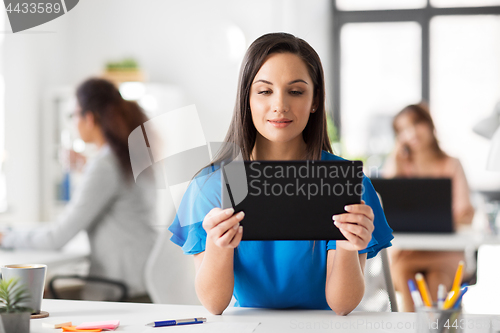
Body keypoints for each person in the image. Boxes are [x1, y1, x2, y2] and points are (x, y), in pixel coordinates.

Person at [168, 33, 394, 315]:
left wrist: (348, 248)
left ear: (314, 101)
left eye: (296, 91)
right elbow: (214, 304)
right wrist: (217, 245)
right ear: (246, 99)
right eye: (264, 91)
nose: (280, 105)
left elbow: (343, 305)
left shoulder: (346, 184)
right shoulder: (211, 186)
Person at [0, 78, 157, 300]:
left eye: (74, 115)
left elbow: (56, 238)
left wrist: (5, 237)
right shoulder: (129, 155)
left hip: (121, 289)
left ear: (89, 118)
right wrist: (86, 167)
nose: (74, 122)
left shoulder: (104, 165)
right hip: (144, 280)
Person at [383, 103, 474, 312]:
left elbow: (465, 214)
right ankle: (417, 326)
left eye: (416, 123)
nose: (412, 132)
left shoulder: (451, 164)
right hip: (408, 252)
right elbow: (385, 210)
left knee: (436, 278)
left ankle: (428, 326)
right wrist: (396, 163)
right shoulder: (400, 165)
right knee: (406, 273)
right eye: (403, 130)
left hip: (446, 252)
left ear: (429, 125)